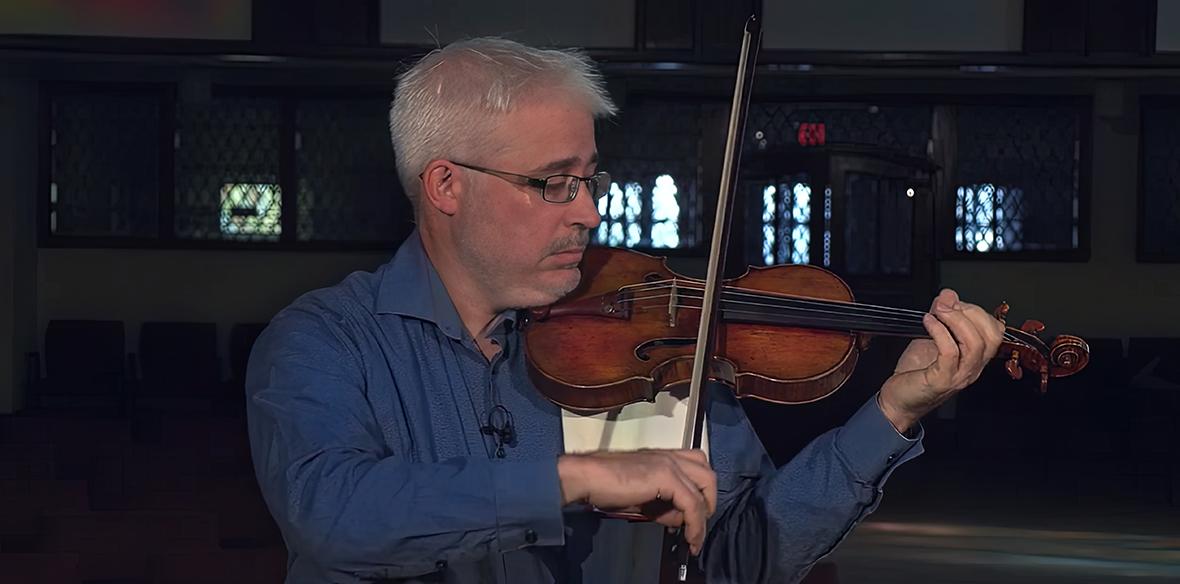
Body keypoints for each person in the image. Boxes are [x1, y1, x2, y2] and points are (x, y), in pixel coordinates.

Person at [244, 37, 1005, 584]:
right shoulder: (325, 340)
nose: (589, 213)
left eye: (591, 179)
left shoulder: (651, 344)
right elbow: (332, 514)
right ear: (446, 186)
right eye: (553, 183)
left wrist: (893, 412)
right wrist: (574, 479)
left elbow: (742, 557)